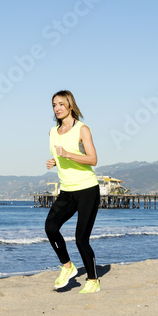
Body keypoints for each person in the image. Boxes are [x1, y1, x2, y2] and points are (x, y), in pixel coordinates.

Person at [44, 90, 101, 294]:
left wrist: (67, 154)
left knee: (81, 239)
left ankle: (93, 280)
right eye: (54, 105)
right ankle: (68, 267)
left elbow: (93, 159)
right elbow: (60, 158)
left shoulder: (82, 129)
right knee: (51, 227)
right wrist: (54, 161)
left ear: (70, 105)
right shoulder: (52, 132)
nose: (57, 108)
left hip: (87, 190)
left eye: (61, 104)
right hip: (67, 191)